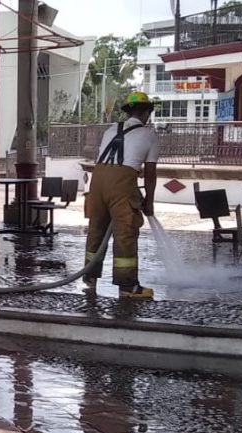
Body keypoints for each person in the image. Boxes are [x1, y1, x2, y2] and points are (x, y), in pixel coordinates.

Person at [84, 91, 160, 299]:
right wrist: (149, 201)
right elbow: (151, 174)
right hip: (122, 182)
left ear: (128, 111)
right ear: (146, 113)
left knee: (96, 229)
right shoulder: (149, 135)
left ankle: (89, 278)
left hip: (97, 180)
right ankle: (128, 287)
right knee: (125, 232)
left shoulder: (110, 130)